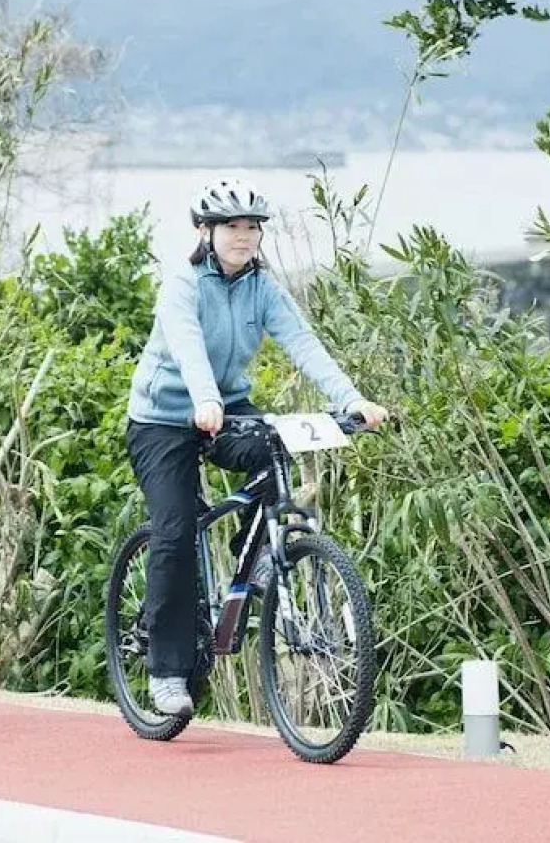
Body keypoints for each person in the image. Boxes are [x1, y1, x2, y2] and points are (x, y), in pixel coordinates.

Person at [125, 177, 388, 718]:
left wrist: (353, 399)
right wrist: (203, 399)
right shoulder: (183, 283)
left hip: (225, 408)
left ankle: (264, 556)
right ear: (206, 231)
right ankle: (168, 670)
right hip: (164, 419)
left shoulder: (262, 286)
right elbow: (187, 344)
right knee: (174, 535)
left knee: (275, 450)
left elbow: (301, 341)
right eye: (232, 227)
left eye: (252, 228)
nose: (244, 237)